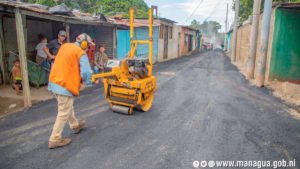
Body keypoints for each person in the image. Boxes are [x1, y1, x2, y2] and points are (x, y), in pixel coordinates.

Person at [48, 33, 94, 149]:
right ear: (83, 43)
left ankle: (75, 125)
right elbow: (86, 72)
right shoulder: (80, 53)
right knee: (63, 113)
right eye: (87, 45)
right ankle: (54, 139)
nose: (88, 47)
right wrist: (88, 82)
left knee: (68, 106)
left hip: (54, 82)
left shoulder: (64, 46)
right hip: (64, 85)